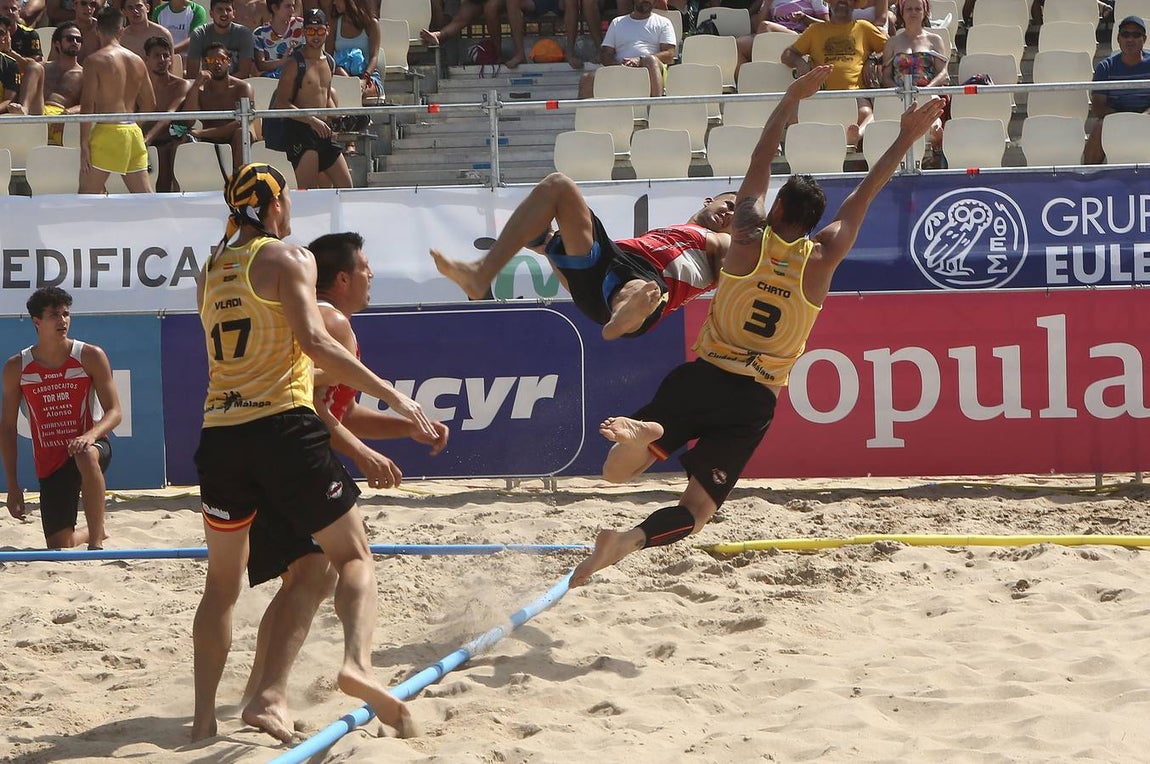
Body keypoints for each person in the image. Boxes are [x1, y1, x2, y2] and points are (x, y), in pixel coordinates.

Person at [568, 67, 945, 587]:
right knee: (697, 511)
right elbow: (866, 192)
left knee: (615, 472)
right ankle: (627, 541)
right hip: (753, 401)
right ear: (814, 223)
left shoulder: (745, 239)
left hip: (704, 376)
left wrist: (791, 99)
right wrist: (905, 137)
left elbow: (760, 160)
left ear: (777, 208)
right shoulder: (823, 257)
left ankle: (647, 436)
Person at [191, 163, 439, 741]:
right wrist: (395, 395)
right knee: (354, 557)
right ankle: (358, 665)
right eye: (287, 200)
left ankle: (204, 721)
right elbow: (316, 342)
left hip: (220, 434)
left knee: (222, 588)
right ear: (274, 206)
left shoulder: (209, 269)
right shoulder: (288, 258)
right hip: (281, 428)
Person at [239, 231, 450, 742]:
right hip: (291, 449)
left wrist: (406, 429)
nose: (371, 274)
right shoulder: (329, 320)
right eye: (364, 267)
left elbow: (343, 410)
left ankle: (259, 693)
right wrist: (361, 453)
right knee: (353, 559)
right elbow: (306, 402)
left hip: (257, 452)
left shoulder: (318, 317)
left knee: (307, 575)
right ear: (341, 278)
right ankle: (356, 665)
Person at [430, 181, 735, 340]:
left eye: (737, 216)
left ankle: (623, 314)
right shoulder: (676, 232)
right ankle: (482, 272)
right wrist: (550, 246)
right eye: (729, 204)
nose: (730, 215)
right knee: (558, 186)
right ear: (709, 201)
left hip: (646, 289)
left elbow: (730, 277)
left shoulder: (723, 241)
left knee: (640, 287)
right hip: (605, 265)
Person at [1, 287, 122, 551]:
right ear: (37, 322)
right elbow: (7, 429)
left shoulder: (90, 355)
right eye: (54, 315)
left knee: (84, 454)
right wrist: (12, 485)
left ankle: (96, 545)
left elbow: (115, 411)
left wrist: (89, 435)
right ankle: (94, 532)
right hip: (52, 461)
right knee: (58, 543)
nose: (63, 320)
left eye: (66, 314)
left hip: (93, 446)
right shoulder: (16, 367)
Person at [781, 0, 887, 146]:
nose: (842, 1)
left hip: (854, 94)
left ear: (854, 4)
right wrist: (800, 63)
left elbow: (890, 48)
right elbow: (787, 54)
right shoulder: (815, 30)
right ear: (829, 3)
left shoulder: (864, 27)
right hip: (819, 94)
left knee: (866, 113)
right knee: (793, 115)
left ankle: (854, 137)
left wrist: (873, 59)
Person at [78, 5, 156, 194]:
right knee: (146, 198)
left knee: (86, 198)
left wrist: (84, 144)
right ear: (121, 30)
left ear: (97, 30)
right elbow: (150, 103)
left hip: (108, 131)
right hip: (132, 131)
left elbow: (87, 105)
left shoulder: (94, 61)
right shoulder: (138, 60)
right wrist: (133, 124)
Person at [273, 9, 352, 188]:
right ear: (303, 32)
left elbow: (325, 97)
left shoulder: (330, 61)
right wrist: (312, 120)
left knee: (346, 188)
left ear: (328, 30)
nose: (315, 36)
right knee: (308, 193)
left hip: (323, 132)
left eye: (320, 31)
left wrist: (339, 118)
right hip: (300, 131)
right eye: (310, 31)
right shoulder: (294, 63)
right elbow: (282, 103)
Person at [881, 0, 948, 165]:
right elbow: (886, 76)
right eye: (909, 9)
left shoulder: (935, 40)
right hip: (899, 95)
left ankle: (935, 137)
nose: (913, 12)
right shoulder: (892, 42)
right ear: (902, 13)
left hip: (927, 92)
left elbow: (943, 73)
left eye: (918, 9)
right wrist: (900, 92)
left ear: (925, 12)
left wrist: (927, 90)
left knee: (931, 105)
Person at [1085, 15, 1150, 164]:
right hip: (1115, 118)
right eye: (1125, 34)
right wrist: (1124, 119)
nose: (1130, 39)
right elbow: (1098, 107)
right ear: (1118, 39)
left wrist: (1143, 117)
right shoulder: (1105, 67)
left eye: (1136, 35)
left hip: (1147, 117)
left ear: (1144, 39)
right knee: (1100, 126)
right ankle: (1088, 175)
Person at [577, 0, 676, 99]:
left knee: (650, 60)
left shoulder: (664, 22)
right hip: (621, 68)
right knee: (586, 79)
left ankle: (656, 105)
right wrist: (620, 64)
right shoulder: (617, 22)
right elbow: (607, 54)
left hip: (650, 67)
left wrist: (640, 60)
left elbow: (669, 54)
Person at [183, 42, 255, 171]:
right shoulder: (199, 89)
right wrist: (196, 85)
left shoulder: (243, 88)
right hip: (209, 140)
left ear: (229, 62)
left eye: (222, 59)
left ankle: (240, 179)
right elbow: (188, 120)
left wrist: (201, 133)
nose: (217, 63)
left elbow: (244, 121)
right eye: (211, 59)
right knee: (179, 136)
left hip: (236, 137)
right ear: (204, 64)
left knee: (242, 133)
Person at [140, 34, 192, 192]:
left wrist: (147, 139)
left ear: (171, 59)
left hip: (171, 136)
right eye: (157, 56)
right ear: (146, 59)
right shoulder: (138, 85)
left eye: (166, 55)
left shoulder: (181, 85)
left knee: (168, 146)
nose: (162, 60)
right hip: (144, 137)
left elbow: (169, 114)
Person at [186, 0, 256, 78]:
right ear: (211, 13)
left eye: (228, 10)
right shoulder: (200, 34)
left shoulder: (244, 34)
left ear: (234, 14)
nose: (224, 13)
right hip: (207, 83)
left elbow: (244, 73)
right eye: (220, 9)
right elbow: (192, 74)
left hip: (237, 83)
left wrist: (222, 83)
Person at [40, 22, 85, 145]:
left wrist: (67, 113)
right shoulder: (41, 68)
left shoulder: (84, 74)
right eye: (70, 39)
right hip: (37, 115)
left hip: (61, 118)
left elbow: (89, 104)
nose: (75, 42)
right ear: (57, 44)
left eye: (78, 39)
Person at [325, 0, 380, 98]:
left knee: (363, 93)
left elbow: (374, 57)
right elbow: (328, 57)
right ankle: (353, 89)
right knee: (340, 73)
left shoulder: (371, 24)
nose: (334, 3)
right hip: (343, 74)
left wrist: (365, 79)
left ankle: (354, 89)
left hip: (367, 74)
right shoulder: (334, 24)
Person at [252, 0, 304, 77]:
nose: (292, 10)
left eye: (293, 6)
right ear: (274, 8)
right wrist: (282, 61)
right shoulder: (260, 34)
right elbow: (261, 65)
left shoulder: (301, 26)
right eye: (288, 6)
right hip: (270, 80)